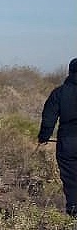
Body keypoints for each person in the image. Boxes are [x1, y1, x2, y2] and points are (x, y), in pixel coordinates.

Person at [38, 58, 77, 217]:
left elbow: (49, 117)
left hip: (68, 142)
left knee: (71, 179)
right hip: (68, 140)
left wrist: (44, 137)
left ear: (70, 72)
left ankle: (74, 212)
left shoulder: (60, 92)